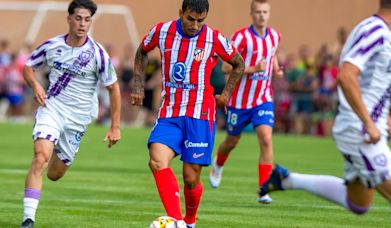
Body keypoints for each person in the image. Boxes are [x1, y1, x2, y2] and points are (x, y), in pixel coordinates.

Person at [260, 1, 391, 227]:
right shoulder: (375, 32)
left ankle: (286, 179)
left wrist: (385, 118)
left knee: (359, 202)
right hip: (360, 132)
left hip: (365, 128)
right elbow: (346, 76)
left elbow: (370, 84)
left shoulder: (382, 34)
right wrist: (369, 121)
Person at [130, 0, 245, 227]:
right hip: (170, 114)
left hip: (200, 116)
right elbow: (142, 51)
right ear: (181, 12)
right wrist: (137, 84)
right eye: (190, 19)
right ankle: (178, 222)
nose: (195, 25)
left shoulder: (213, 38)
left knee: (191, 179)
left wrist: (225, 95)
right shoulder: (162, 31)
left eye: (200, 21)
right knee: (156, 160)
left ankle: (190, 222)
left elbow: (238, 64)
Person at [20, 0, 121, 227]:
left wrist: (115, 126)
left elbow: (113, 88)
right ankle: (28, 219)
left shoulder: (98, 55)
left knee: (55, 174)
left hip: (78, 119)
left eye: (87, 20)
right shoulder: (51, 46)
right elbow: (28, 67)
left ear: (90, 22)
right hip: (52, 108)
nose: (82, 24)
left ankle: (55, 145)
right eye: (78, 18)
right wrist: (35, 85)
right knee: (40, 158)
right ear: (69, 19)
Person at [208, 0, 283, 204]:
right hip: (239, 101)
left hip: (263, 99)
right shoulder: (241, 37)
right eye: (258, 12)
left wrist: (276, 69)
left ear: (269, 13)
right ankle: (218, 164)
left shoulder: (275, 35)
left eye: (265, 12)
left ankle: (264, 189)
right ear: (251, 13)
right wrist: (253, 69)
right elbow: (225, 68)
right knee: (232, 141)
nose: (261, 15)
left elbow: (273, 53)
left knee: (266, 139)